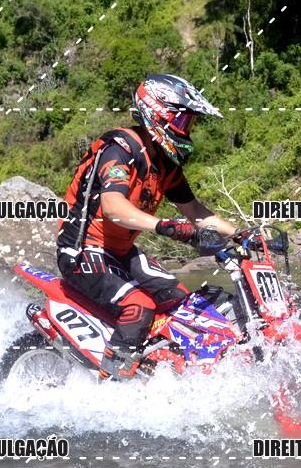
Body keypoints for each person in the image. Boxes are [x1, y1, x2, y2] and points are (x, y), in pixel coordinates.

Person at [57, 74, 237, 379]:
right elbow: (113, 207)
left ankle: (159, 365)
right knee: (138, 307)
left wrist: (241, 234)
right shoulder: (120, 149)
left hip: (120, 253)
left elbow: (195, 211)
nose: (187, 130)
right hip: (81, 250)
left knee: (180, 301)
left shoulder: (165, 165)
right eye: (184, 121)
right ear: (159, 113)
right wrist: (166, 227)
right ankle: (112, 384)